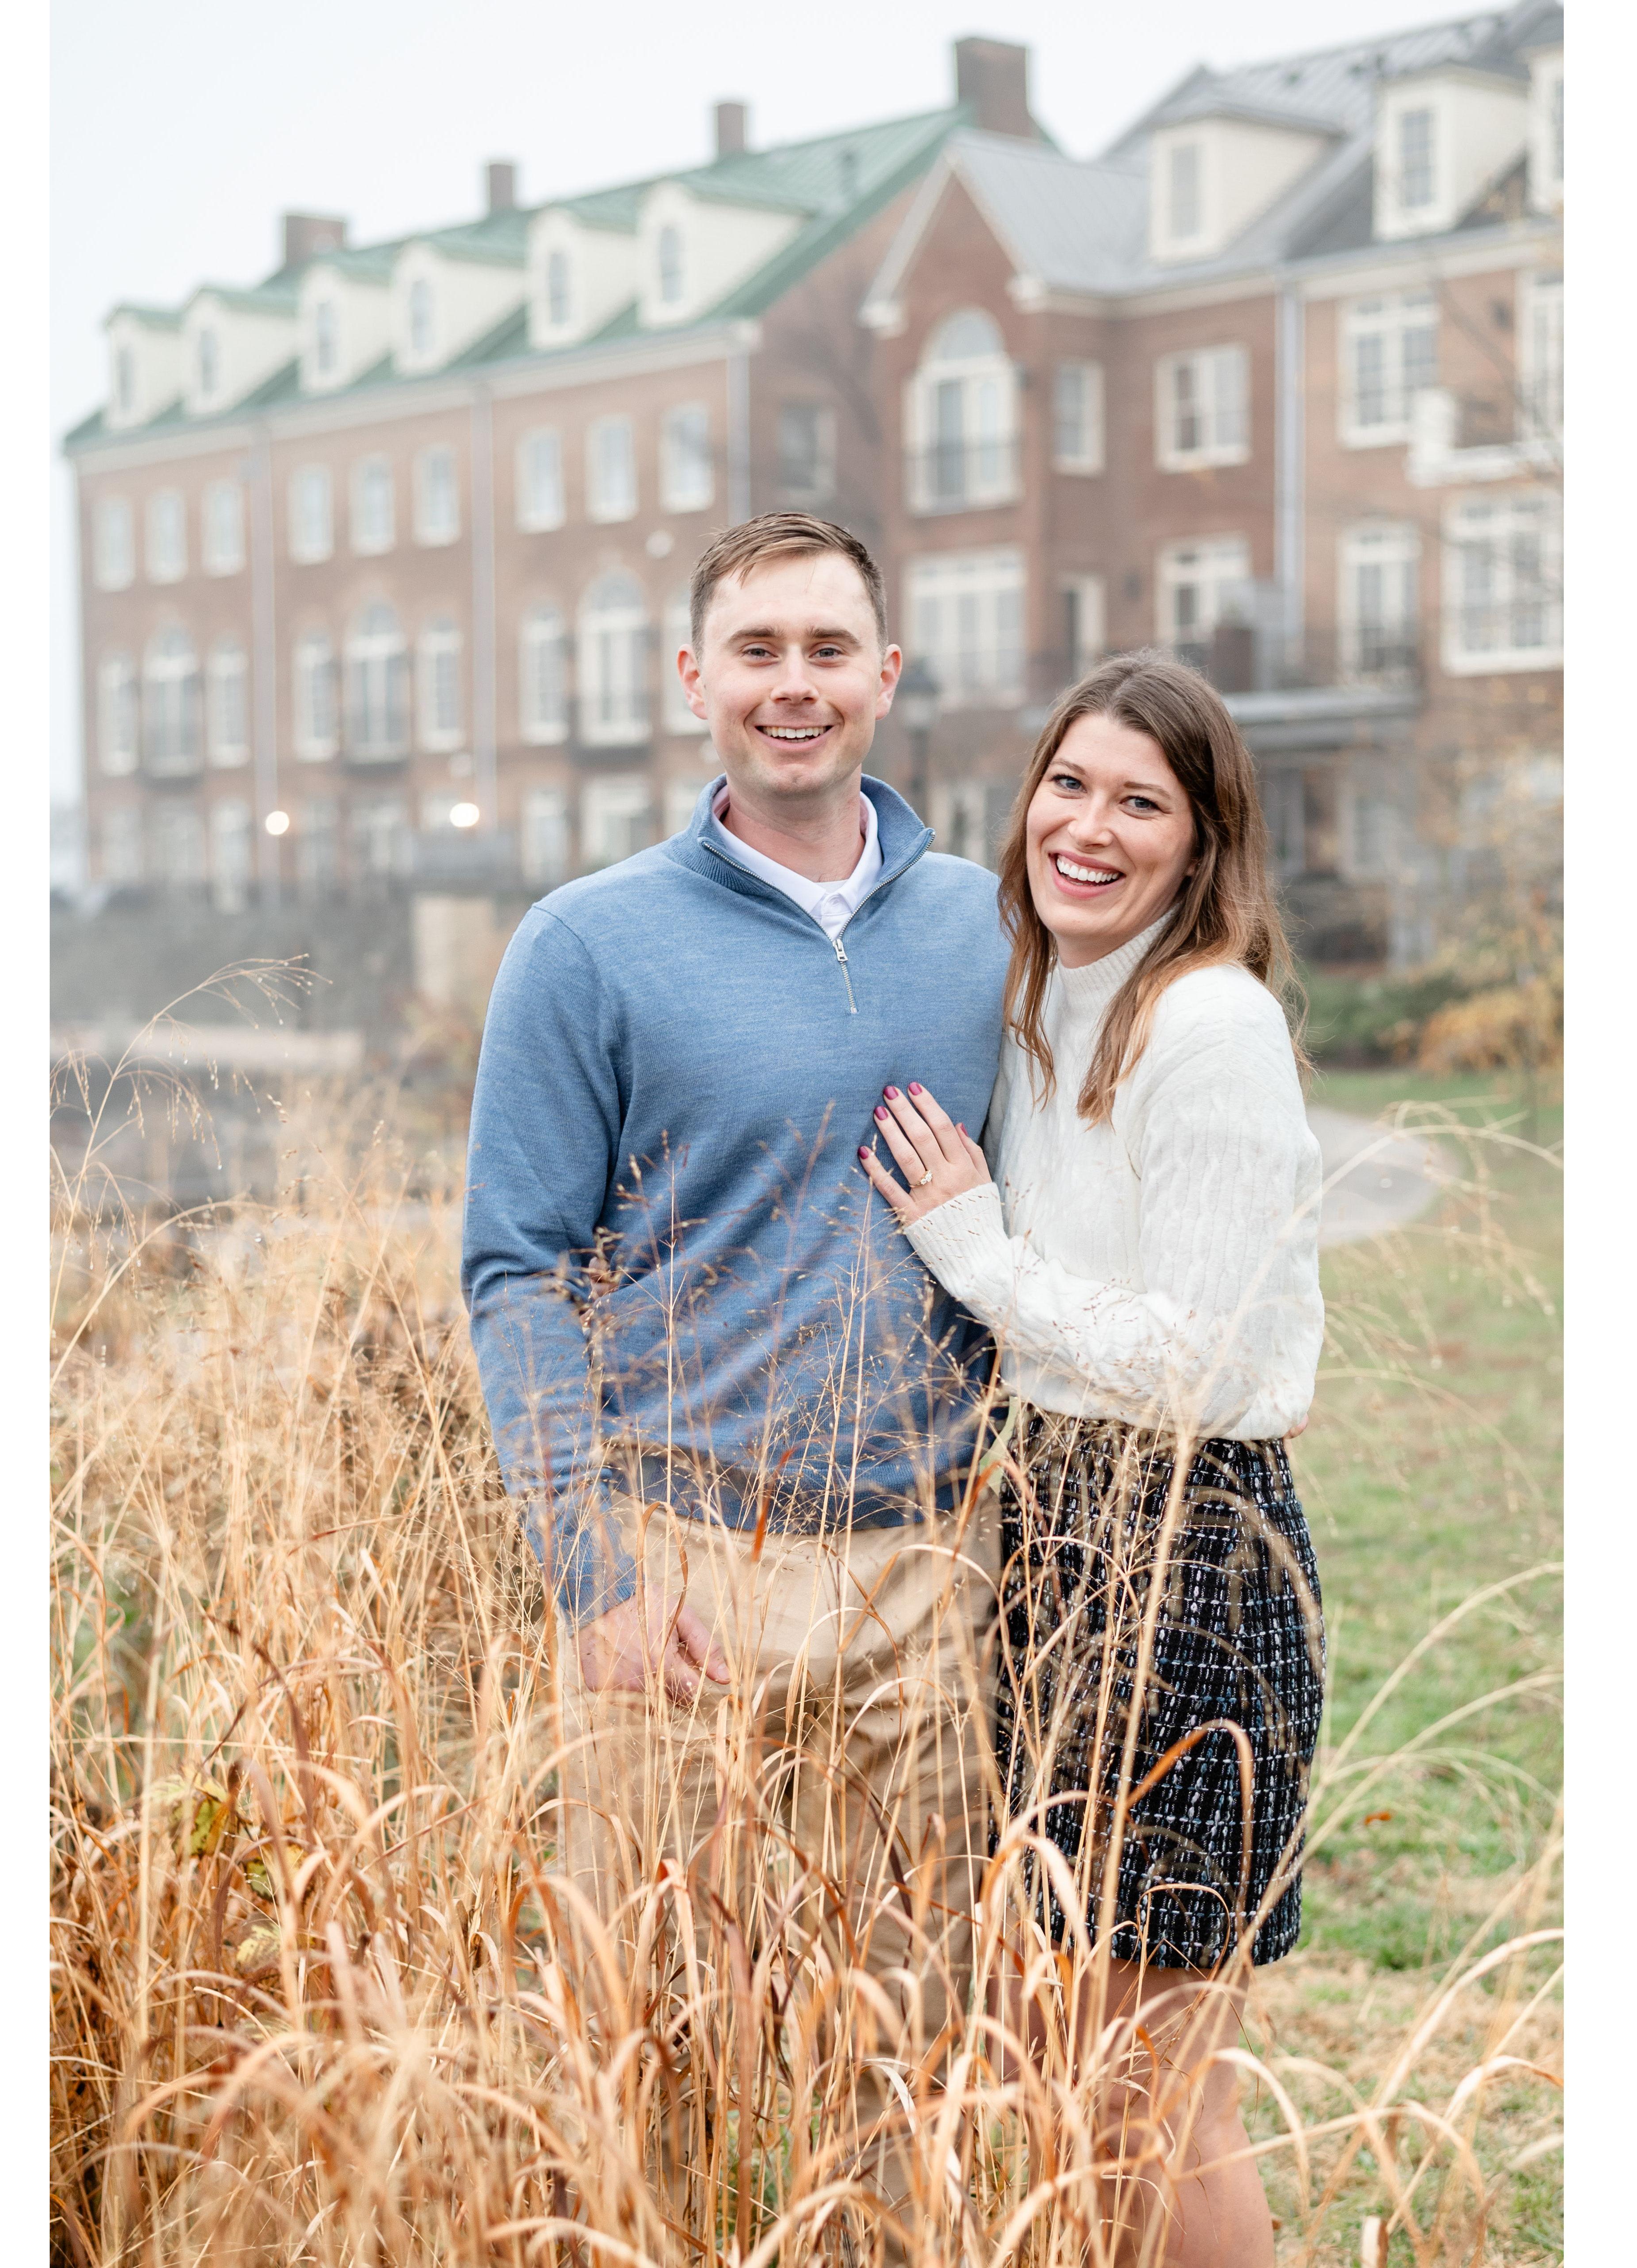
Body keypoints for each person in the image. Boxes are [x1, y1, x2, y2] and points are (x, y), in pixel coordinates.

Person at [461, 512, 1008, 2242]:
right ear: (693, 679)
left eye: (828, 650)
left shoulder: (996, 931)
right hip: (680, 1573)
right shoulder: (587, 945)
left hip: (935, 1572)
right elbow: (515, 1268)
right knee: (665, 2050)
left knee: (911, 2062)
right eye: (757, 651)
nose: (796, 685)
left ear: (886, 678)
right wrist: (593, 1573)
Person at [860, 651, 1325, 2268]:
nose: (1092, 827)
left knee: (1151, 2086)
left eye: (1144, 803)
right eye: (1071, 784)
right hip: (1056, 1547)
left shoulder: (1208, 1024)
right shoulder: (1053, 987)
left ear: (1203, 845)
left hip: (1190, 1562)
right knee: (1067, 2056)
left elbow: (1199, 1360)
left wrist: (972, 1252)